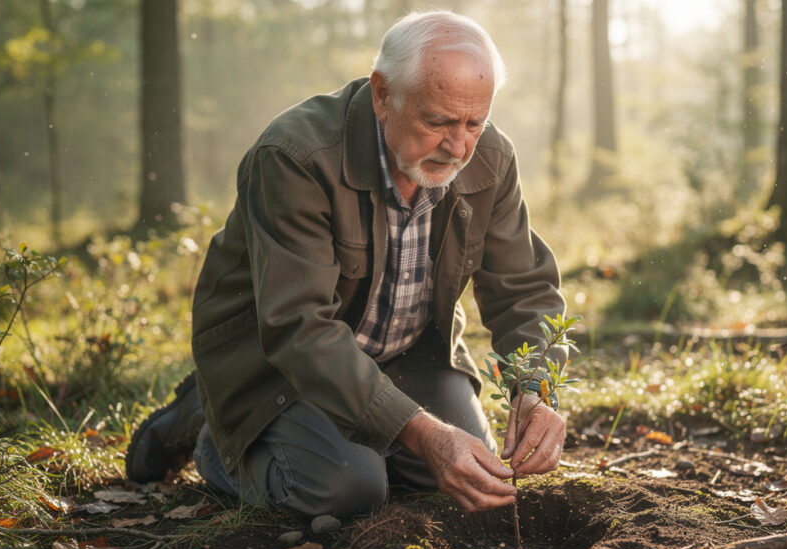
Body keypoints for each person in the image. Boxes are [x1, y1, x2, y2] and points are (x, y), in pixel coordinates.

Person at [125, 11, 568, 520]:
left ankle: (358, 434)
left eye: (475, 122)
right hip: (279, 364)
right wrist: (423, 432)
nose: (459, 145)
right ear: (382, 95)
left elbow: (523, 288)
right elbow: (300, 328)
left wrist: (534, 389)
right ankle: (216, 434)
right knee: (348, 491)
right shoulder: (295, 156)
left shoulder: (490, 158)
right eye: (438, 121)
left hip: (405, 354)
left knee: (454, 478)